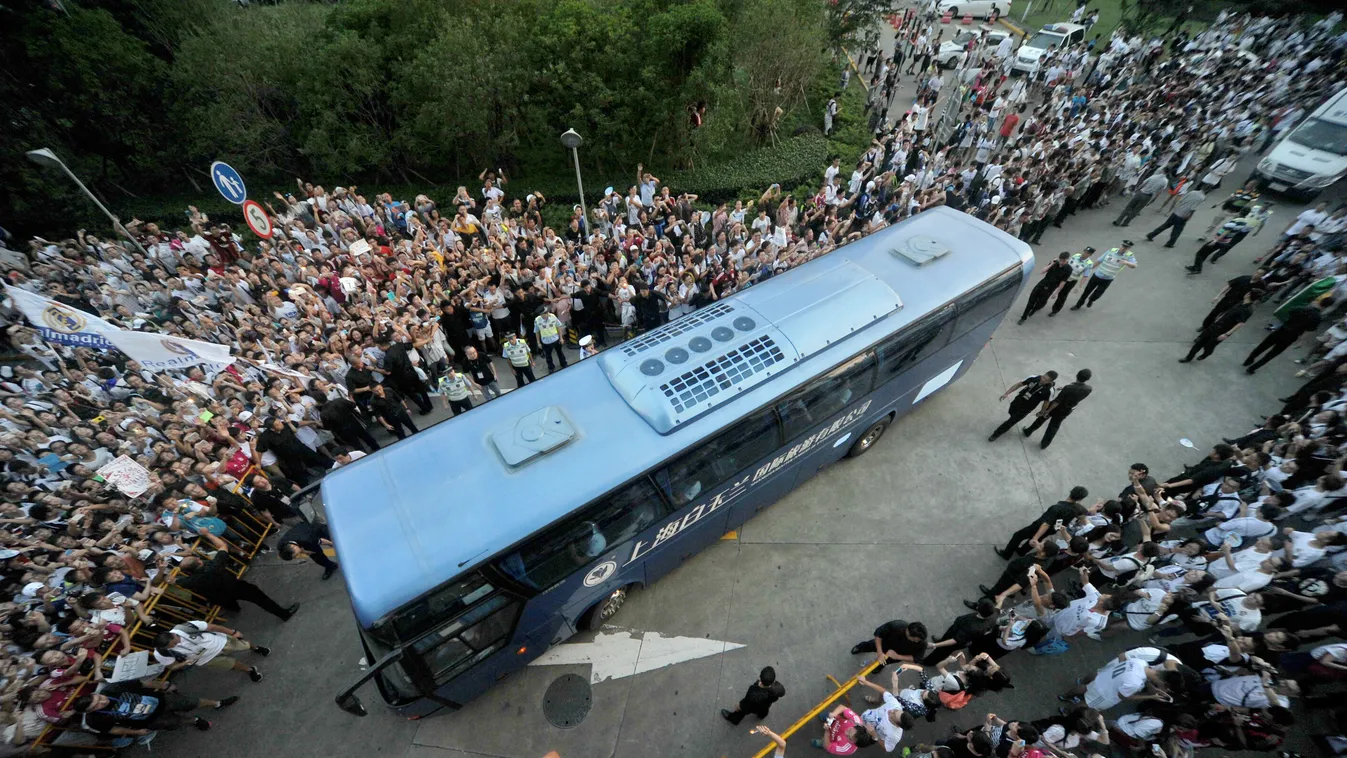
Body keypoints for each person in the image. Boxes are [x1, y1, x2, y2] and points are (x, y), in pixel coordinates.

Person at [73, 681, 237, 736]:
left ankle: (217, 704)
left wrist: (164, 686)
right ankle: (195, 720)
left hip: (162, 700)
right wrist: (136, 732)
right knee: (176, 722)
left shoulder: (110, 689)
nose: (103, 701)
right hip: (150, 720)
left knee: (192, 701)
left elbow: (142, 683)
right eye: (97, 705)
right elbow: (113, 729)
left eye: (99, 698)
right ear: (89, 711)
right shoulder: (94, 720)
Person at [175, 554, 299, 621]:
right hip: (236, 587)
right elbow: (222, 549)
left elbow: (174, 581)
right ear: (199, 562)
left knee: (228, 603)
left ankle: (234, 609)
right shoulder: (213, 566)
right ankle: (284, 614)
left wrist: (163, 572)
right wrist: (208, 534)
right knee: (260, 599)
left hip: (219, 597)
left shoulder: (190, 581)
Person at [151, 619, 268, 683]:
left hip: (220, 643)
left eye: (175, 643)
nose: (175, 646)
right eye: (171, 647)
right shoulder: (161, 652)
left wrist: (232, 632)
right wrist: (183, 664)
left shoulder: (186, 627)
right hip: (206, 659)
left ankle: (256, 648)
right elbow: (172, 666)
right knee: (231, 664)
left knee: (244, 645)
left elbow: (213, 627)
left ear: (173, 635)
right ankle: (250, 670)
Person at [1244, 298, 1334, 374]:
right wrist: (1301, 341)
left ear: (1320, 301)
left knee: (1263, 346)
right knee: (1272, 354)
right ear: (1327, 306)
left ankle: (1249, 360)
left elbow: (1290, 311)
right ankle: (1252, 368)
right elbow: (1309, 331)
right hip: (1292, 336)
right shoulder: (1317, 318)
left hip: (1282, 330)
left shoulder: (1304, 309)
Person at [996, 485, 1090, 557]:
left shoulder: (1057, 508)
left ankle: (1006, 554)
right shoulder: (1078, 508)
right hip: (1053, 529)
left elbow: (1045, 524)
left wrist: (1035, 538)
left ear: (1071, 492)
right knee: (1036, 539)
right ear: (1081, 499)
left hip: (1039, 527)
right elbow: (1085, 514)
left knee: (1018, 536)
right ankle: (1021, 552)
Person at [1021, 369, 1093, 449]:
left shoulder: (1068, 388)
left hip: (1056, 407)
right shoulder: (1088, 389)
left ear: (1077, 375)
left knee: (1041, 419)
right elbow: (1075, 392)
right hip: (1067, 410)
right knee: (1054, 426)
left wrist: (1047, 411)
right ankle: (1045, 444)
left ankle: (1028, 431)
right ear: (1088, 379)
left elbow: (1057, 401)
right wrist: (1065, 389)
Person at [1180, 290, 1255, 363]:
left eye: (1248, 293)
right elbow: (1228, 311)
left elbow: (1241, 323)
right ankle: (1189, 357)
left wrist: (1227, 334)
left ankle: (1206, 354)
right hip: (1215, 325)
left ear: (1248, 295)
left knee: (1209, 346)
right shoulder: (1241, 302)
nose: (1246, 293)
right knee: (1199, 342)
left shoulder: (1248, 310)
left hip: (1222, 330)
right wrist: (1218, 317)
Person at [855, 671, 917, 752]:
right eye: (896, 711)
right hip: (864, 717)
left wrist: (875, 736)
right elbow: (883, 691)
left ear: (897, 725)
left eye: (893, 714)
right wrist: (866, 682)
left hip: (867, 734)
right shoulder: (895, 705)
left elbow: (887, 748)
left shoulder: (894, 736)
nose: (891, 711)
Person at [989, 372, 1057, 441]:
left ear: (1050, 381)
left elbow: (1046, 403)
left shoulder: (1050, 391)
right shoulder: (1034, 377)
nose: (1042, 379)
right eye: (1043, 377)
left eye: (1046, 380)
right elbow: (1019, 384)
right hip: (1019, 399)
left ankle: (996, 434)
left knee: (1011, 422)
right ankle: (1011, 419)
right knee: (1011, 411)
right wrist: (1006, 393)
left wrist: (1042, 412)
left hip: (1027, 407)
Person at [1071, 242, 1136, 311]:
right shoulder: (1111, 251)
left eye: (1126, 247)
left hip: (1108, 279)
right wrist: (1089, 268)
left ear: (1129, 248)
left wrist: (1126, 262)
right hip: (1097, 275)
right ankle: (1078, 305)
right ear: (1121, 245)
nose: (1123, 248)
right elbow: (1099, 260)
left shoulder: (1129, 256)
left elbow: (1134, 266)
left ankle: (1091, 299)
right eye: (1123, 246)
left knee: (1098, 293)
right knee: (1086, 291)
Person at [849, 620, 929, 670]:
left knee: (883, 663)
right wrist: (880, 653)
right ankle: (860, 648)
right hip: (884, 643)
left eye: (917, 641)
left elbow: (917, 658)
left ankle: (877, 668)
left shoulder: (922, 642)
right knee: (869, 645)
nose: (916, 642)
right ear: (907, 632)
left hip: (896, 656)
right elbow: (879, 633)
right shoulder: (897, 625)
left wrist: (898, 656)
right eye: (915, 640)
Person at [1019, 254, 1072, 323]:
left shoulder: (1069, 269)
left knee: (1041, 303)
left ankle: (1035, 309)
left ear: (1067, 260)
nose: (1061, 262)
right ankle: (1023, 317)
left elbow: (1063, 282)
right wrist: (1051, 264)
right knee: (1031, 301)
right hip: (1042, 284)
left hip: (1051, 288)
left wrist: (1056, 292)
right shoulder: (1054, 262)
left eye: (1063, 261)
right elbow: (1042, 271)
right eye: (1060, 260)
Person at [1049, 247, 1095, 316]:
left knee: (1062, 296)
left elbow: (1085, 276)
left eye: (1087, 253)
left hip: (1071, 281)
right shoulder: (1076, 256)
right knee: (1049, 289)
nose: (1085, 254)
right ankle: (1040, 303)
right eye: (1085, 251)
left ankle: (1055, 310)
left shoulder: (1089, 264)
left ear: (1090, 255)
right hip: (1061, 277)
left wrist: (1080, 287)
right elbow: (1066, 263)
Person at [533, 306, 569, 373]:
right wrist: (538, 342)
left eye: (543, 315)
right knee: (548, 356)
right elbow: (536, 332)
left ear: (546, 313)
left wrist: (561, 338)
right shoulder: (537, 320)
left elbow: (559, 327)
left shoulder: (553, 317)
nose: (542, 316)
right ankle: (551, 367)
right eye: (541, 315)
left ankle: (564, 363)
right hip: (546, 341)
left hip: (556, 339)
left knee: (560, 352)